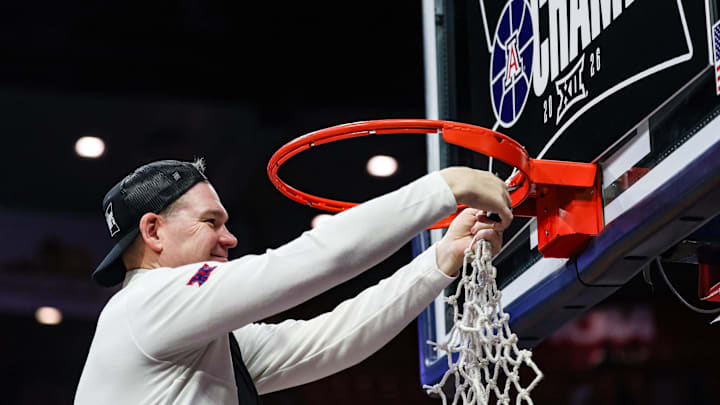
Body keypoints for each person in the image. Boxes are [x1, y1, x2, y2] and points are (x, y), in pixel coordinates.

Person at [75, 158, 512, 404]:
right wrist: (441, 189)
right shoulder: (147, 303)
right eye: (211, 222)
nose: (230, 237)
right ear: (153, 232)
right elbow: (309, 261)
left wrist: (439, 260)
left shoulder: (194, 340)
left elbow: (336, 338)